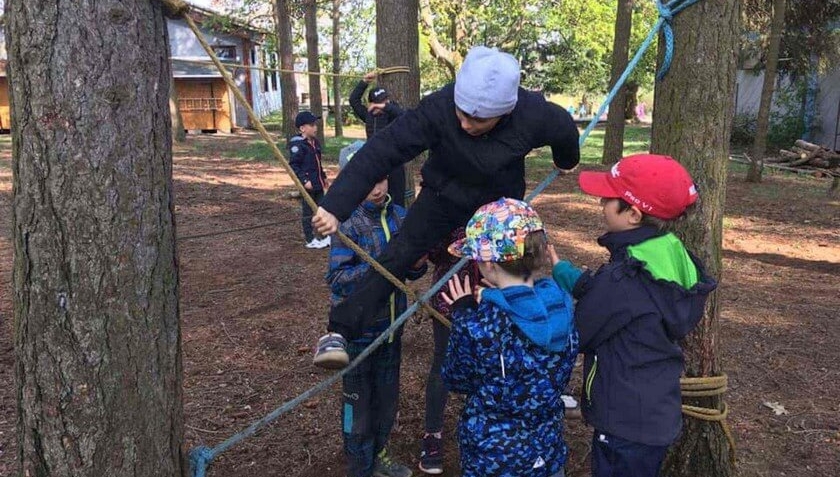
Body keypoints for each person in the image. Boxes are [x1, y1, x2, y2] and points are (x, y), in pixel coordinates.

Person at [310, 45, 580, 361]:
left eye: (478, 119)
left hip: (499, 205)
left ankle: (519, 346)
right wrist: (335, 206)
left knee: (509, 264)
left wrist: (566, 160)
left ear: (505, 112)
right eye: (461, 113)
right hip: (443, 195)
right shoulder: (437, 108)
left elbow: (563, 129)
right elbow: (384, 149)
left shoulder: (533, 114)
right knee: (400, 252)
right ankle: (340, 331)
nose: (465, 124)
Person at [549, 154, 717, 477]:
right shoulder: (671, 254)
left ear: (633, 214)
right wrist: (566, 273)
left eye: (608, 199)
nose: (601, 202)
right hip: (655, 414)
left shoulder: (623, 278)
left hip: (621, 423)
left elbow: (579, 331)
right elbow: (623, 302)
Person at [440, 198, 578, 477]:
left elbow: (456, 378)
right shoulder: (561, 307)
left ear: (488, 264)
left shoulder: (482, 324)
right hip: (546, 450)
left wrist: (464, 314)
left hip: (494, 457)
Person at [319, 168, 428, 477]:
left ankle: (379, 455)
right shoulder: (347, 222)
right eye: (367, 180)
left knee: (386, 401)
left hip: (392, 328)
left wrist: (417, 264)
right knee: (358, 407)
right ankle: (360, 467)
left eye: (379, 179)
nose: (376, 188)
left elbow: (411, 271)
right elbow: (337, 278)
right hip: (358, 333)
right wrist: (382, 269)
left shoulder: (401, 217)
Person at [416, 228, 482, 475]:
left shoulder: (494, 201)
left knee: (485, 366)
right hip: (449, 300)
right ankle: (432, 435)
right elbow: (430, 251)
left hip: (487, 299)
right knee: (443, 362)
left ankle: (479, 431)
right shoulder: (447, 201)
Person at [349, 72, 407, 206]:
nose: (383, 104)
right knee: (377, 200)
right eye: (379, 102)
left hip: (394, 166)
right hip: (375, 165)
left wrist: (386, 107)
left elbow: (405, 116)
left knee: (397, 202)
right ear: (372, 104)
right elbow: (353, 100)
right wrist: (364, 82)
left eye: (385, 101)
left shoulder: (393, 115)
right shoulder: (368, 116)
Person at [288, 110, 330, 249]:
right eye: (311, 125)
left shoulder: (315, 143)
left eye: (315, 124)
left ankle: (324, 235)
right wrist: (305, 181)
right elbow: (294, 166)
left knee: (322, 209)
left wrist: (323, 177)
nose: (315, 127)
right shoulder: (298, 145)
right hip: (308, 185)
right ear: (302, 128)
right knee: (308, 212)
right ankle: (310, 238)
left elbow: (318, 163)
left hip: (318, 183)